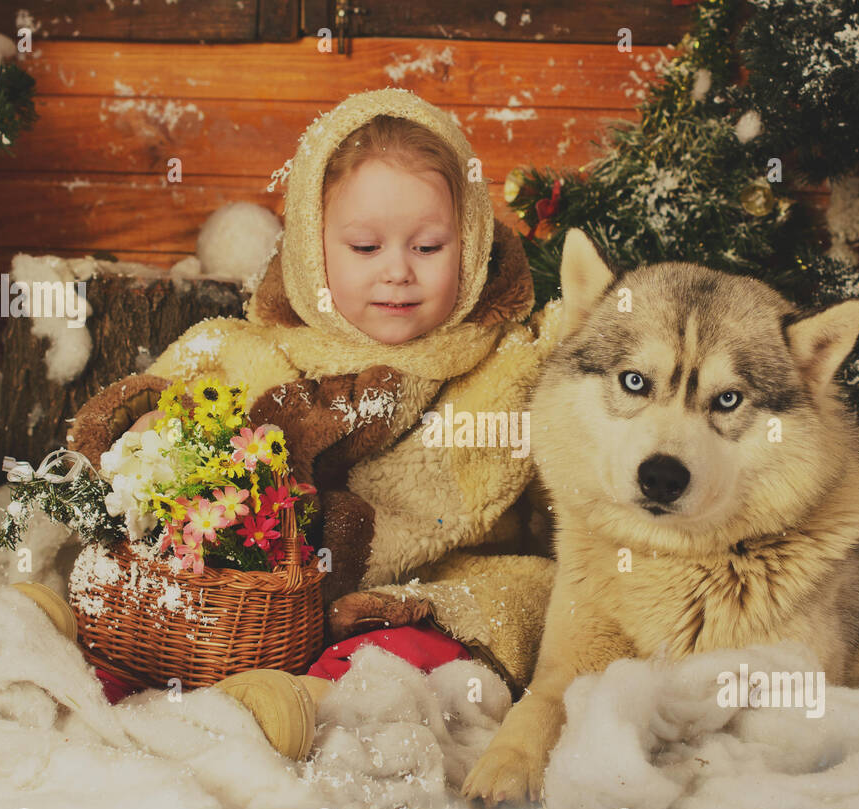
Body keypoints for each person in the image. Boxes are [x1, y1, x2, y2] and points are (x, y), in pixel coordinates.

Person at [68, 88, 568, 722]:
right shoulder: (246, 353)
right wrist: (140, 434)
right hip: (247, 604)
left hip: (419, 588)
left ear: (469, 247)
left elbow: (566, 507)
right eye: (365, 248)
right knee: (135, 599)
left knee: (448, 628)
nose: (397, 272)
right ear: (312, 248)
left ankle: (309, 702)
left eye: (429, 247)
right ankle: (92, 659)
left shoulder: (507, 373)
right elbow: (158, 404)